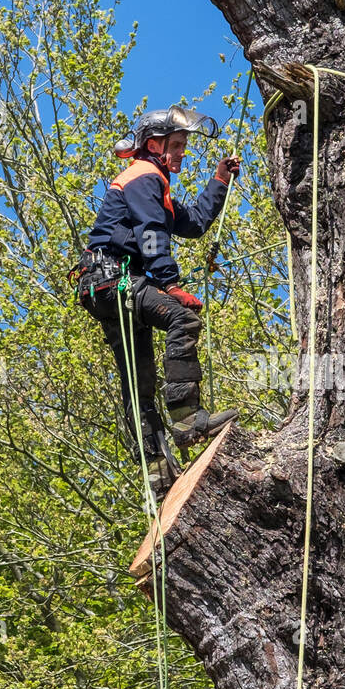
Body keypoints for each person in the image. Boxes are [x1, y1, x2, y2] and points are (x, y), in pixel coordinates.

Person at [73, 105, 239, 500]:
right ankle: (185, 419)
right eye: (178, 145)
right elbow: (150, 233)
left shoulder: (154, 184)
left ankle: (158, 470)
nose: (183, 152)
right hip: (115, 280)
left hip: (103, 287)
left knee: (139, 383)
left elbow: (193, 224)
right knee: (184, 320)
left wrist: (218, 181)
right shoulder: (143, 177)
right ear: (155, 145)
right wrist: (170, 283)